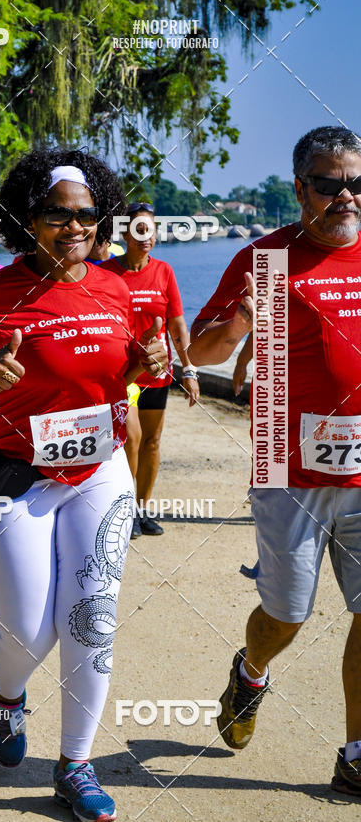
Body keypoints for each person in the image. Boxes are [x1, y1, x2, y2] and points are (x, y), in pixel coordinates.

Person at [0, 150, 167, 822]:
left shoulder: (113, 288)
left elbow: (134, 368)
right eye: (57, 213)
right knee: (32, 630)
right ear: (25, 219)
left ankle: (75, 764)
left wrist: (153, 362)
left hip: (99, 470)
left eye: (87, 214)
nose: (74, 226)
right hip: (11, 476)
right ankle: (7, 694)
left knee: (90, 619)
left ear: (103, 221)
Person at [189, 126, 361, 797]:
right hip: (287, 467)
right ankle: (252, 668)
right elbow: (201, 353)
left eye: (356, 182)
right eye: (329, 183)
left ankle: (355, 754)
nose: (345, 195)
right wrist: (235, 327)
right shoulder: (264, 259)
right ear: (300, 189)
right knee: (287, 615)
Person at [103, 203, 199, 537]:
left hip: (157, 372)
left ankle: (141, 509)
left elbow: (177, 325)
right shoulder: (106, 273)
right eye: (140, 229)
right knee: (131, 439)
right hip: (122, 373)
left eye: (152, 229)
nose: (148, 237)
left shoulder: (164, 272)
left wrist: (189, 370)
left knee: (152, 442)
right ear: (125, 233)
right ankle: (124, 511)